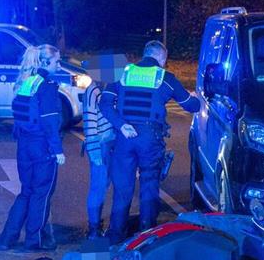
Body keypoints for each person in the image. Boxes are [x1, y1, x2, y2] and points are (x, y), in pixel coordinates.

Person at [100, 40, 200, 242]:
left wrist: (120, 124)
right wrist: (195, 96)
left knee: (122, 188)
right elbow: (191, 106)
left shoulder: (124, 74)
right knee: (149, 185)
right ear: (162, 58)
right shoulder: (166, 77)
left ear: (144, 54)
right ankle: (146, 235)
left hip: (125, 137)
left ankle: (115, 235)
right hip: (150, 138)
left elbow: (105, 103)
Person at [0, 44, 66, 251]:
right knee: (41, 194)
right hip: (41, 147)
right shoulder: (46, 86)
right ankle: (33, 241)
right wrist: (57, 150)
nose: (59, 64)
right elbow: (50, 122)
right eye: (57, 61)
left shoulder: (26, 82)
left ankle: (7, 239)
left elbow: (20, 118)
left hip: (24, 145)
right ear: (46, 62)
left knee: (26, 192)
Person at [81, 56, 120, 238]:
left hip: (108, 144)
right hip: (100, 145)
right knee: (98, 188)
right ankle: (94, 229)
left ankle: (97, 227)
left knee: (104, 187)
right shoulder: (93, 91)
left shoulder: (105, 90)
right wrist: (94, 151)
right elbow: (89, 123)